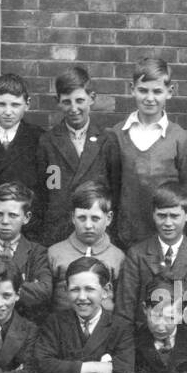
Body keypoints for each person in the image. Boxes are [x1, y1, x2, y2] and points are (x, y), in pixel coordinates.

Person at [109, 56, 187, 245]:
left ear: (169, 92)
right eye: (142, 90)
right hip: (126, 236)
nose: (149, 98)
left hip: (166, 236)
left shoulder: (179, 138)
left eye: (157, 91)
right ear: (132, 89)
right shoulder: (117, 134)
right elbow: (113, 188)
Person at [36, 66, 116, 246]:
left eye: (80, 100)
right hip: (59, 233)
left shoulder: (107, 141)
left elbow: (114, 192)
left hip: (95, 232)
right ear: (58, 101)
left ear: (92, 98)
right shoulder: (47, 142)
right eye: (66, 102)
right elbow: (45, 193)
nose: (74, 108)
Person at [115, 181, 187, 329]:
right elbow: (124, 313)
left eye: (174, 216)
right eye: (162, 216)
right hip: (145, 342)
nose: (168, 223)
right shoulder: (137, 255)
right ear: (153, 214)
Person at [0, 72, 45, 239]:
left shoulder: (39, 139)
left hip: (27, 227)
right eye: (2, 104)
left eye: (15, 105)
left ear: (27, 104)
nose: (8, 112)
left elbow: (46, 188)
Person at [0, 181, 52, 323]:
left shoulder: (38, 252)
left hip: (26, 324)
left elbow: (44, 291)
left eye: (13, 215)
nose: (5, 221)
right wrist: (23, 284)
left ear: (26, 218)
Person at [45, 182, 126, 313]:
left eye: (95, 218)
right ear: (73, 217)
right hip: (63, 327)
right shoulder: (55, 253)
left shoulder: (117, 257)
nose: (88, 225)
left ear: (109, 218)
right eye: (82, 218)